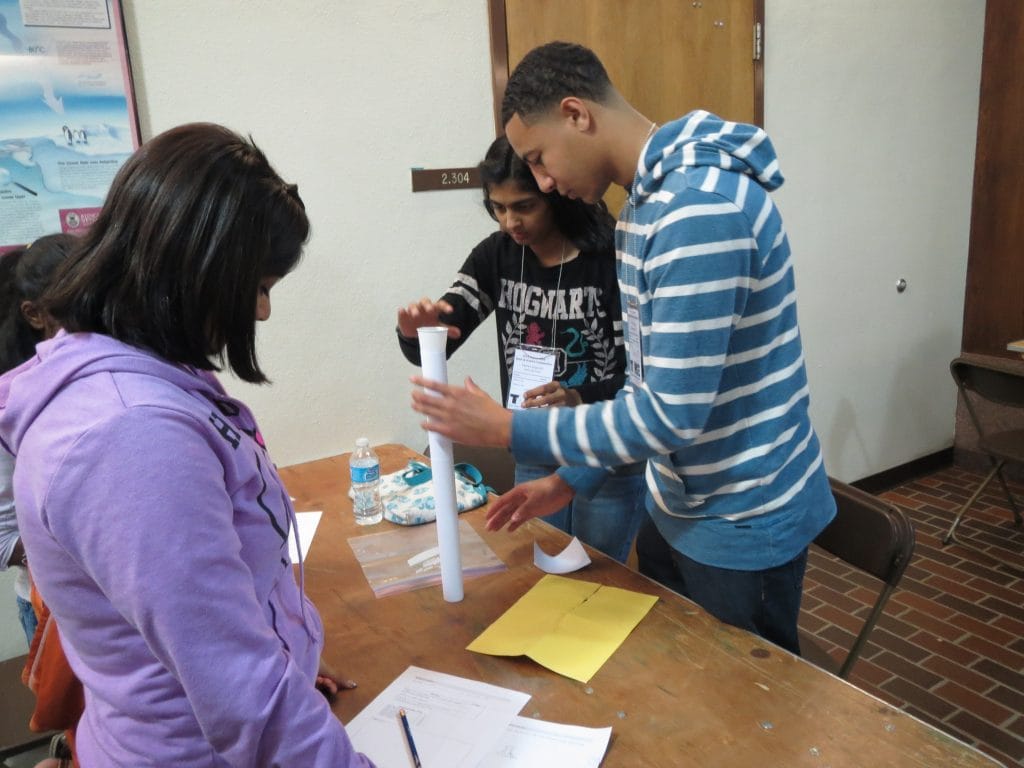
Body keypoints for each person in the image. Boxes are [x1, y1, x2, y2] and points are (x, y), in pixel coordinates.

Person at [410, 42, 836, 655]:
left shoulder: (696, 213)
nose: (544, 180)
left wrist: (510, 430)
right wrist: (569, 480)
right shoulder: (645, 208)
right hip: (681, 503)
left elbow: (669, 415)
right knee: (683, 678)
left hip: (741, 514)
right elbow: (648, 387)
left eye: (539, 158)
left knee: (741, 704)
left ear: (577, 114)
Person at [0, 123, 374, 767]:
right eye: (258, 287)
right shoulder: (127, 433)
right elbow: (237, 686)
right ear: (198, 270)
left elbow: (206, 618)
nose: (260, 314)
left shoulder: (138, 376)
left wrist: (287, 652)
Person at [396, 135, 645, 562]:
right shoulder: (497, 256)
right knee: (542, 568)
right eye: (499, 207)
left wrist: (576, 396)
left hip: (603, 454)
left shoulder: (609, 259)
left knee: (600, 575)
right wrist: (418, 332)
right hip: (533, 446)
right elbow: (438, 340)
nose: (510, 222)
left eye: (524, 206)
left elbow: (638, 377)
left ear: (556, 197)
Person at [0, 233, 75, 647]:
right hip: (50, 613)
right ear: (34, 314)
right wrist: (78, 560)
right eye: (75, 308)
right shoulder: (11, 408)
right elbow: (1, 537)